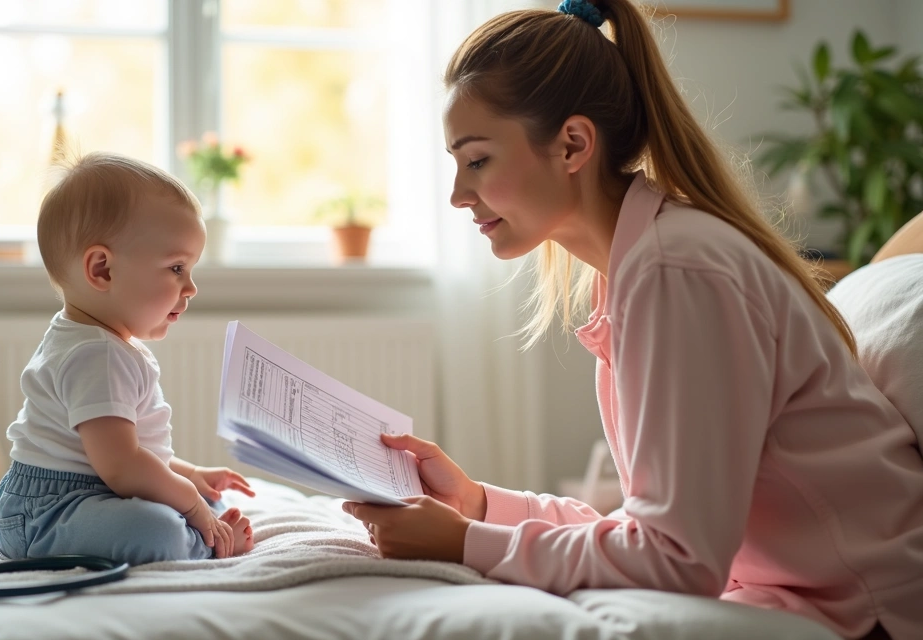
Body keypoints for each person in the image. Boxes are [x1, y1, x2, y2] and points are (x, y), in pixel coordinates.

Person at [341, 1, 923, 638]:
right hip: (793, 594)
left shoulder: (678, 271)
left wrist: (466, 545)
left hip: (870, 615)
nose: (457, 193)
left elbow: (677, 559)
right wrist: (479, 507)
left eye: (477, 160)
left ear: (573, 144)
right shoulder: (642, 265)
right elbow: (656, 532)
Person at [0, 152, 255, 565]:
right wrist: (188, 500)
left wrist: (192, 478)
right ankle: (204, 545)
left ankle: (204, 529)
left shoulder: (103, 344)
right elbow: (122, 467)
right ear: (103, 269)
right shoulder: (94, 355)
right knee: (160, 529)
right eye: (176, 268)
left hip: (89, 496)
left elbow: (134, 453)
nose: (190, 288)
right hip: (47, 515)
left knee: (202, 503)